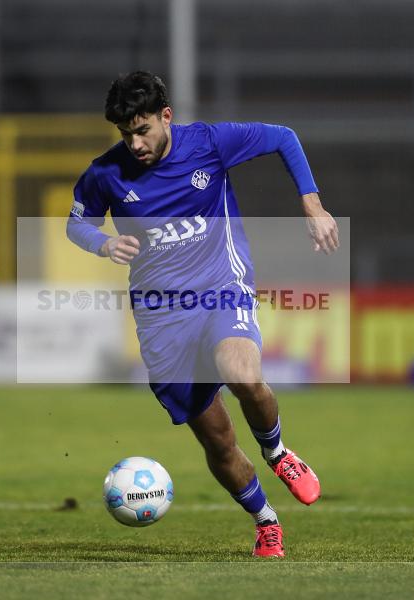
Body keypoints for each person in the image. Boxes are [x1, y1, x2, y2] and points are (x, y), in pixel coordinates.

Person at [67, 71, 339, 558]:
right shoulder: (105, 173)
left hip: (220, 287)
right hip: (160, 318)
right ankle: (265, 521)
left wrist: (312, 204)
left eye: (143, 128)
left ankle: (277, 452)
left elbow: (284, 137)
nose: (135, 142)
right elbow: (76, 225)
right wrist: (104, 243)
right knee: (217, 440)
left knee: (242, 375)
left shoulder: (208, 144)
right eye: (125, 133)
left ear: (166, 116)